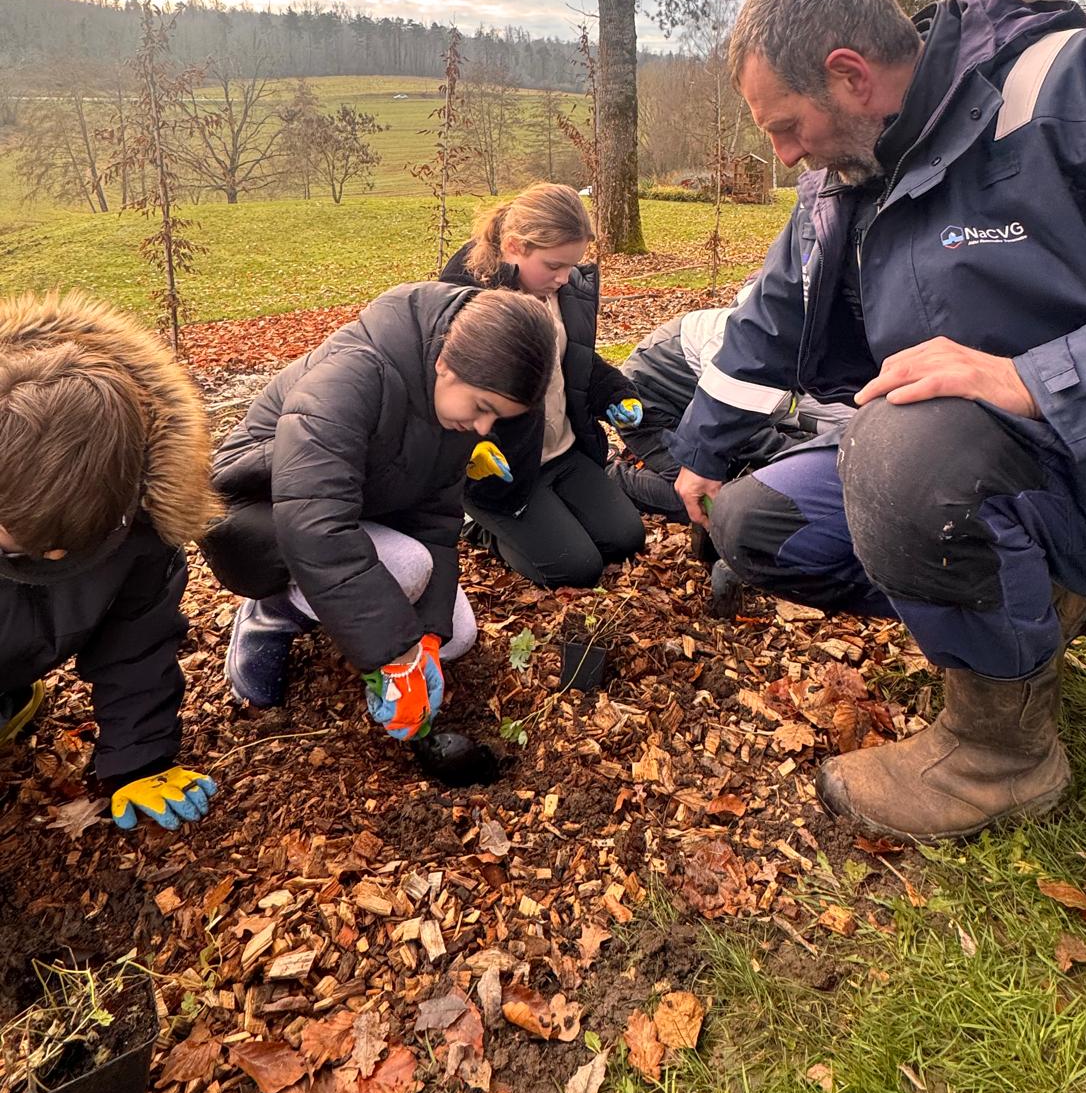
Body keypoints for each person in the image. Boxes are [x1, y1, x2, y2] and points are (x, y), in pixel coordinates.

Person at [669, 0, 1086, 842]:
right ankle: (1032, 610)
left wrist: (1039, 376)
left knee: (902, 450)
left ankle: (1001, 758)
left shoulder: (1077, 89)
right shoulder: (848, 178)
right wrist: (700, 451)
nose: (784, 155)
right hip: (1014, 474)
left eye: (787, 127)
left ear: (850, 74)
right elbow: (772, 318)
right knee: (759, 522)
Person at [204, 284, 556, 742]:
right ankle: (271, 610)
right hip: (252, 513)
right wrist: (395, 654)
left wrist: (426, 636)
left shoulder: (449, 406)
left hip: (354, 508)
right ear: (445, 364)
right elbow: (316, 527)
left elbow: (436, 521)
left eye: (497, 418)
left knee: (457, 637)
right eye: (483, 409)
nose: (484, 428)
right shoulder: (352, 376)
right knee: (408, 570)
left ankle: (331, 609)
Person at [0, 291, 219, 833]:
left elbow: (135, 643)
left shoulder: (142, 521)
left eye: (64, 545)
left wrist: (138, 760)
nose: (49, 557)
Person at [440, 184, 647, 588]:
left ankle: (548, 518)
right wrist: (468, 449)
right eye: (554, 265)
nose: (565, 277)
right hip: (505, 467)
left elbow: (574, 359)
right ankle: (480, 526)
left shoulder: (561, 289)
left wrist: (617, 393)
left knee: (625, 539)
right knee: (575, 568)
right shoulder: (467, 299)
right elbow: (438, 391)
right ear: (515, 246)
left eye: (572, 265)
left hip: (563, 449)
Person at [609, 275, 855, 520]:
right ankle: (608, 473)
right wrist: (808, 456)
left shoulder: (813, 353)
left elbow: (831, 414)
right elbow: (733, 425)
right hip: (648, 406)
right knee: (701, 496)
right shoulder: (732, 344)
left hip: (701, 407)